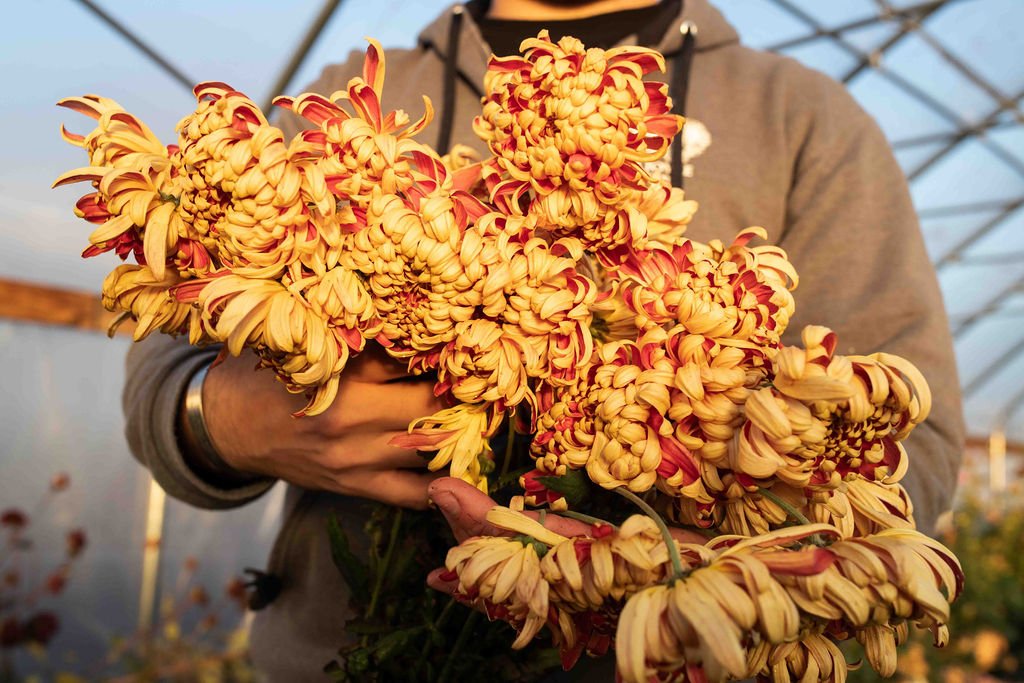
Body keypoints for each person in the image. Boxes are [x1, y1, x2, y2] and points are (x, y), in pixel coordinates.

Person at [123, 0, 965, 679]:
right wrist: (226, 418)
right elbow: (164, 357)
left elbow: (909, 439)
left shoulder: (799, 115)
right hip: (326, 653)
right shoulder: (351, 99)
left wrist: (690, 562)